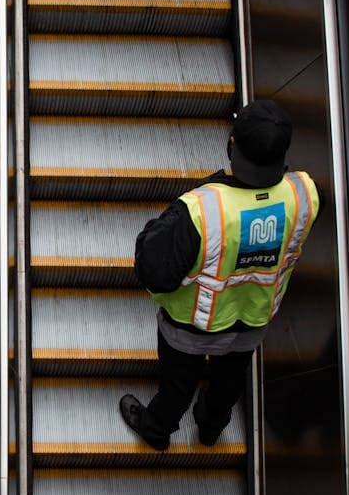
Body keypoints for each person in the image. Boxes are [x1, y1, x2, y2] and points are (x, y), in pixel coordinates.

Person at [120, 99, 320, 451]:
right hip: (253, 322)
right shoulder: (304, 194)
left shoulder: (200, 211)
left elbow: (155, 271)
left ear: (232, 144)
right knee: (228, 383)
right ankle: (211, 427)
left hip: (191, 326)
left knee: (177, 386)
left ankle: (158, 428)